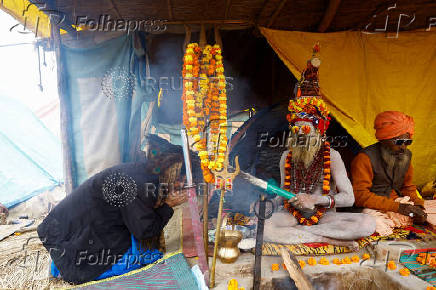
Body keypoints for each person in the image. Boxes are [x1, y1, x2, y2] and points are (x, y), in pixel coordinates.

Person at [37, 136, 199, 284]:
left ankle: (63, 261)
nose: (184, 187)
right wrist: (168, 205)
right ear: (178, 176)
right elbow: (145, 231)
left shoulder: (144, 173)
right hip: (65, 238)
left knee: (140, 247)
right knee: (141, 261)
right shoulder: (138, 185)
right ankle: (65, 266)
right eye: (185, 182)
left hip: (62, 229)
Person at [264, 45, 375, 249]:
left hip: (325, 217)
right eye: (296, 130)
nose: (300, 135)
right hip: (292, 216)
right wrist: (269, 203)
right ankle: (326, 239)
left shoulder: (332, 156)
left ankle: (302, 235)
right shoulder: (286, 156)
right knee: (265, 226)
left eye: (305, 131)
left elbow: (349, 199)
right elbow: (283, 192)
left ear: (319, 131)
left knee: (368, 223)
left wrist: (316, 200)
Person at [351, 111, 426, 234]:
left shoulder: (405, 156)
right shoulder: (364, 158)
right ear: (384, 140)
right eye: (398, 142)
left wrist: (418, 206)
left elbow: (408, 188)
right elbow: (360, 196)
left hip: (395, 204)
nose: (403, 147)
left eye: (407, 142)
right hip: (368, 207)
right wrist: (398, 207)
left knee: (416, 216)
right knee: (376, 225)